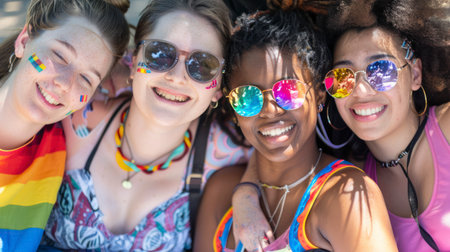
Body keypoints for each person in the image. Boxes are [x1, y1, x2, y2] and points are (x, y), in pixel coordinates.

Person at [41, 0, 251, 250]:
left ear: (218, 87)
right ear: (132, 61)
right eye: (159, 54)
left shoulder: (228, 153)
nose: (176, 77)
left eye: (203, 65)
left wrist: (247, 194)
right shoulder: (76, 116)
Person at [194, 9, 397, 252]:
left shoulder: (346, 195)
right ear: (234, 109)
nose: (270, 111)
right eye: (248, 97)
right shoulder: (221, 191)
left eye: (289, 91)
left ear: (320, 94)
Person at [0, 0, 130, 250]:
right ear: (24, 41)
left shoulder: (59, 145)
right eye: (59, 55)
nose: (65, 83)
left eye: (86, 79)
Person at [321, 0, 450, 251]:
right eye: (342, 77)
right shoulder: (351, 180)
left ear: (414, 75)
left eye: (381, 70)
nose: (360, 90)